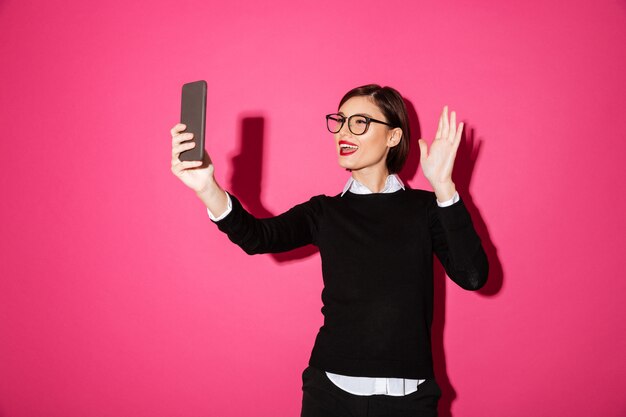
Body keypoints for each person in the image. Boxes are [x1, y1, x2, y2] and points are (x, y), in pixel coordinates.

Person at [170, 84, 488, 417]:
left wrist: (444, 188)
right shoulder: (324, 212)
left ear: (393, 137)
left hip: (410, 399)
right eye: (340, 121)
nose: (343, 132)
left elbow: (473, 275)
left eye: (359, 122)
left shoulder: (426, 208)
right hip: (330, 395)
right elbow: (257, 237)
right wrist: (207, 188)